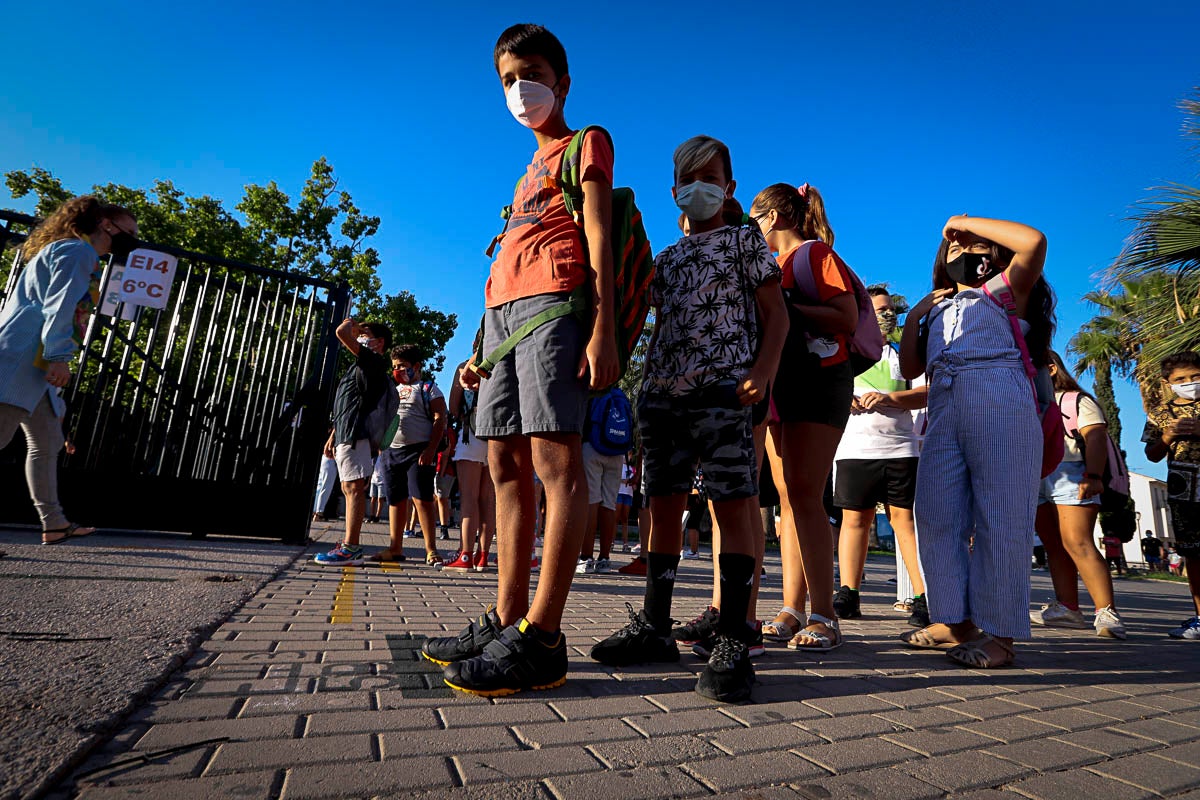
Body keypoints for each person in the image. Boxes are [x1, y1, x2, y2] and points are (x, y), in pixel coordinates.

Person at [423, 23, 619, 697]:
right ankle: (507, 615)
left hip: (557, 309)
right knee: (504, 462)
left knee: (555, 462)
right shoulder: (524, 168)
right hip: (502, 322)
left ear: (561, 81)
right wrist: (478, 348)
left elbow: (599, 231)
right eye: (507, 78)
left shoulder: (584, 142)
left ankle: (544, 636)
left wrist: (604, 329)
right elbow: (501, 263)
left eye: (530, 72)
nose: (518, 87)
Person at [589, 135, 787, 702]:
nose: (700, 187)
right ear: (676, 191)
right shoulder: (666, 259)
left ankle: (733, 636)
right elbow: (630, 303)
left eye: (712, 177)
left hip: (725, 391)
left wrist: (763, 370)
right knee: (664, 502)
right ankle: (655, 624)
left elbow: (777, 317)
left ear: (728, 188)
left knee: (731, 503)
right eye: (689, 178)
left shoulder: (746, 243)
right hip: (661, 395)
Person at [898, 215, 1055, 668]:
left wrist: (961, 225)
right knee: (935, 513)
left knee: (1001, 517)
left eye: (977, 248)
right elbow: (910, 368)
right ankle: (955, 619)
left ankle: (1001, 635)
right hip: (943, 405)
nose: (965, 252)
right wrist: (915, 315)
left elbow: (1033, 240)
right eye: (954, 249)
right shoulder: (935, 309)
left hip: (1000, 394)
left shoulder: (1007, 291)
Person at [748, 182, 856, 651]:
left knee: (808, 498)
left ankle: (826, 615)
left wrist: (788, 307)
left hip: (819, 382)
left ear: (772, 218)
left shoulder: (814, 255)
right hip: (783, 386)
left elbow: (846, 316)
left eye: (755, 220)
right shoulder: (774, 265)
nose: (752, 229)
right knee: (789, 501)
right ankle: (792, 608)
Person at [0, 197, 137, 544]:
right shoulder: (78, 252)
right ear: (107, 225)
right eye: (129, 232)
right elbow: (58, 307)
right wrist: (59, 355)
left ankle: (55, 523)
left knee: (47, 441)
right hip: (22, 359)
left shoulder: (69, 251)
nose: (133, 240)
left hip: (34, 363)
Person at [831, 286, 930, 628]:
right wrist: (845, 400)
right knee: (854, 521)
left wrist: (889, 399)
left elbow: (925, 393)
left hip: (901, 449)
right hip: (853, 450)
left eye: (890, 310)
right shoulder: (845, 353)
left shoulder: (905, 355)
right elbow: (828, 390)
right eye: (879, 310)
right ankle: (848, 594)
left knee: (905, 522)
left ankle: (923, 597)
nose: (887, 316)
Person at [1030, 351, 1126, 638]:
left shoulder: (1075, 399)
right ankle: (1068, 608)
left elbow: (1094, 435)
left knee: (1078, 542)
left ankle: (1106, 613)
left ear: (1050, 368)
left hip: (1071, 472)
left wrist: (1093, 476)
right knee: (1054, 546)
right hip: (1035, 475)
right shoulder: (1024, 402)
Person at [314, 319, 393, 565]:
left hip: (357, 433)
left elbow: (340, 332)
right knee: (350, 488)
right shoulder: (362, 366)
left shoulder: (374, 361)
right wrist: (333, 435)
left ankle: (351, 547)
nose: (359, 335)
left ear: (379, 342)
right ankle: (350, 544)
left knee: (353, 488)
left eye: (365, 333)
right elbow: (349, 404)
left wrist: (351, 324)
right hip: (348, 431)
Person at [1143, 351, 1200, 639]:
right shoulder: (1159, 414)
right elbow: (1151, 455)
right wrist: (1167, 436)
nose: (1189, 382)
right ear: (1168, 382)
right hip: (1183, 494)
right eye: (1181, 379)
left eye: (1195, 376)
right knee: (1194, 555)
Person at [377, 344, 448, 566]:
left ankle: (431, 549)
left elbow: (440, 418)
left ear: (416, 366)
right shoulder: (391, 390)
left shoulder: (428, 389)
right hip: (391, 452)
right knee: (395, 500)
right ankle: (395, 547)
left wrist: (430, 449)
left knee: (422, 499)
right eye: (395, 366)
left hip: (418, 452)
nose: (398, 370)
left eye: (403, 366)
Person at [447, 359, 495, 571]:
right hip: (495, 435)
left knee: (469, 497)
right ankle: (483, 555)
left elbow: (454, 407)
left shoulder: (464, 367)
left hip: (470, 433)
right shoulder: (501, 363)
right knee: (488, 500)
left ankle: (465, 554)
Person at [576, 388, 631, 574]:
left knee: (592, 500)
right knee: (609, 504)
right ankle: (605, 559)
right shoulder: (618, 394)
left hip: (592, 447)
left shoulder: (591, 391)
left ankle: (586, 558)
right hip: (616, 451)